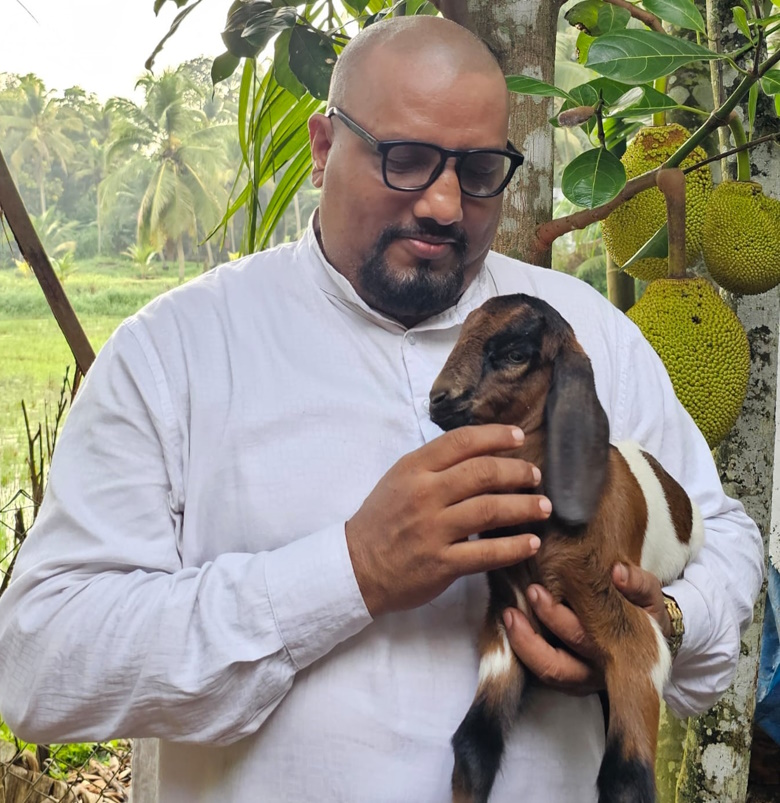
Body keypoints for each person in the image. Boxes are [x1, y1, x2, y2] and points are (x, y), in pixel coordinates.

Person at [0, 15, 764, 803]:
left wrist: (662, 621)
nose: (443, 203)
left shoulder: (587, 336)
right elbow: (39, 660)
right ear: (323, 146)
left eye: (477, 171)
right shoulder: (176, 351)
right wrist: (351, 570)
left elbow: (725, 535)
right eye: (405, 159)